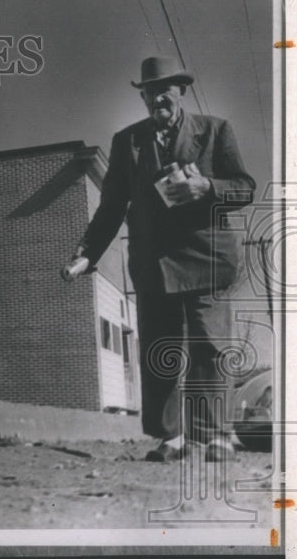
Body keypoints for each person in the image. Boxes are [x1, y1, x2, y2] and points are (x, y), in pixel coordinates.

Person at [63, 56, 255, 463]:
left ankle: (213, 435)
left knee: (210, 346)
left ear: (180, 90)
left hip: (208, 256)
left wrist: (207, 187)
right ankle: (170, 436)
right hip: (154, 261)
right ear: (144, 97)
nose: (158, 96)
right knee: (159, 346)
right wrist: (86, 255)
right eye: (150, 91)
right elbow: (111, 206)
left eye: (166, 88)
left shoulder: (215, 130)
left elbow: (244, 188)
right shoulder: (127, 141)